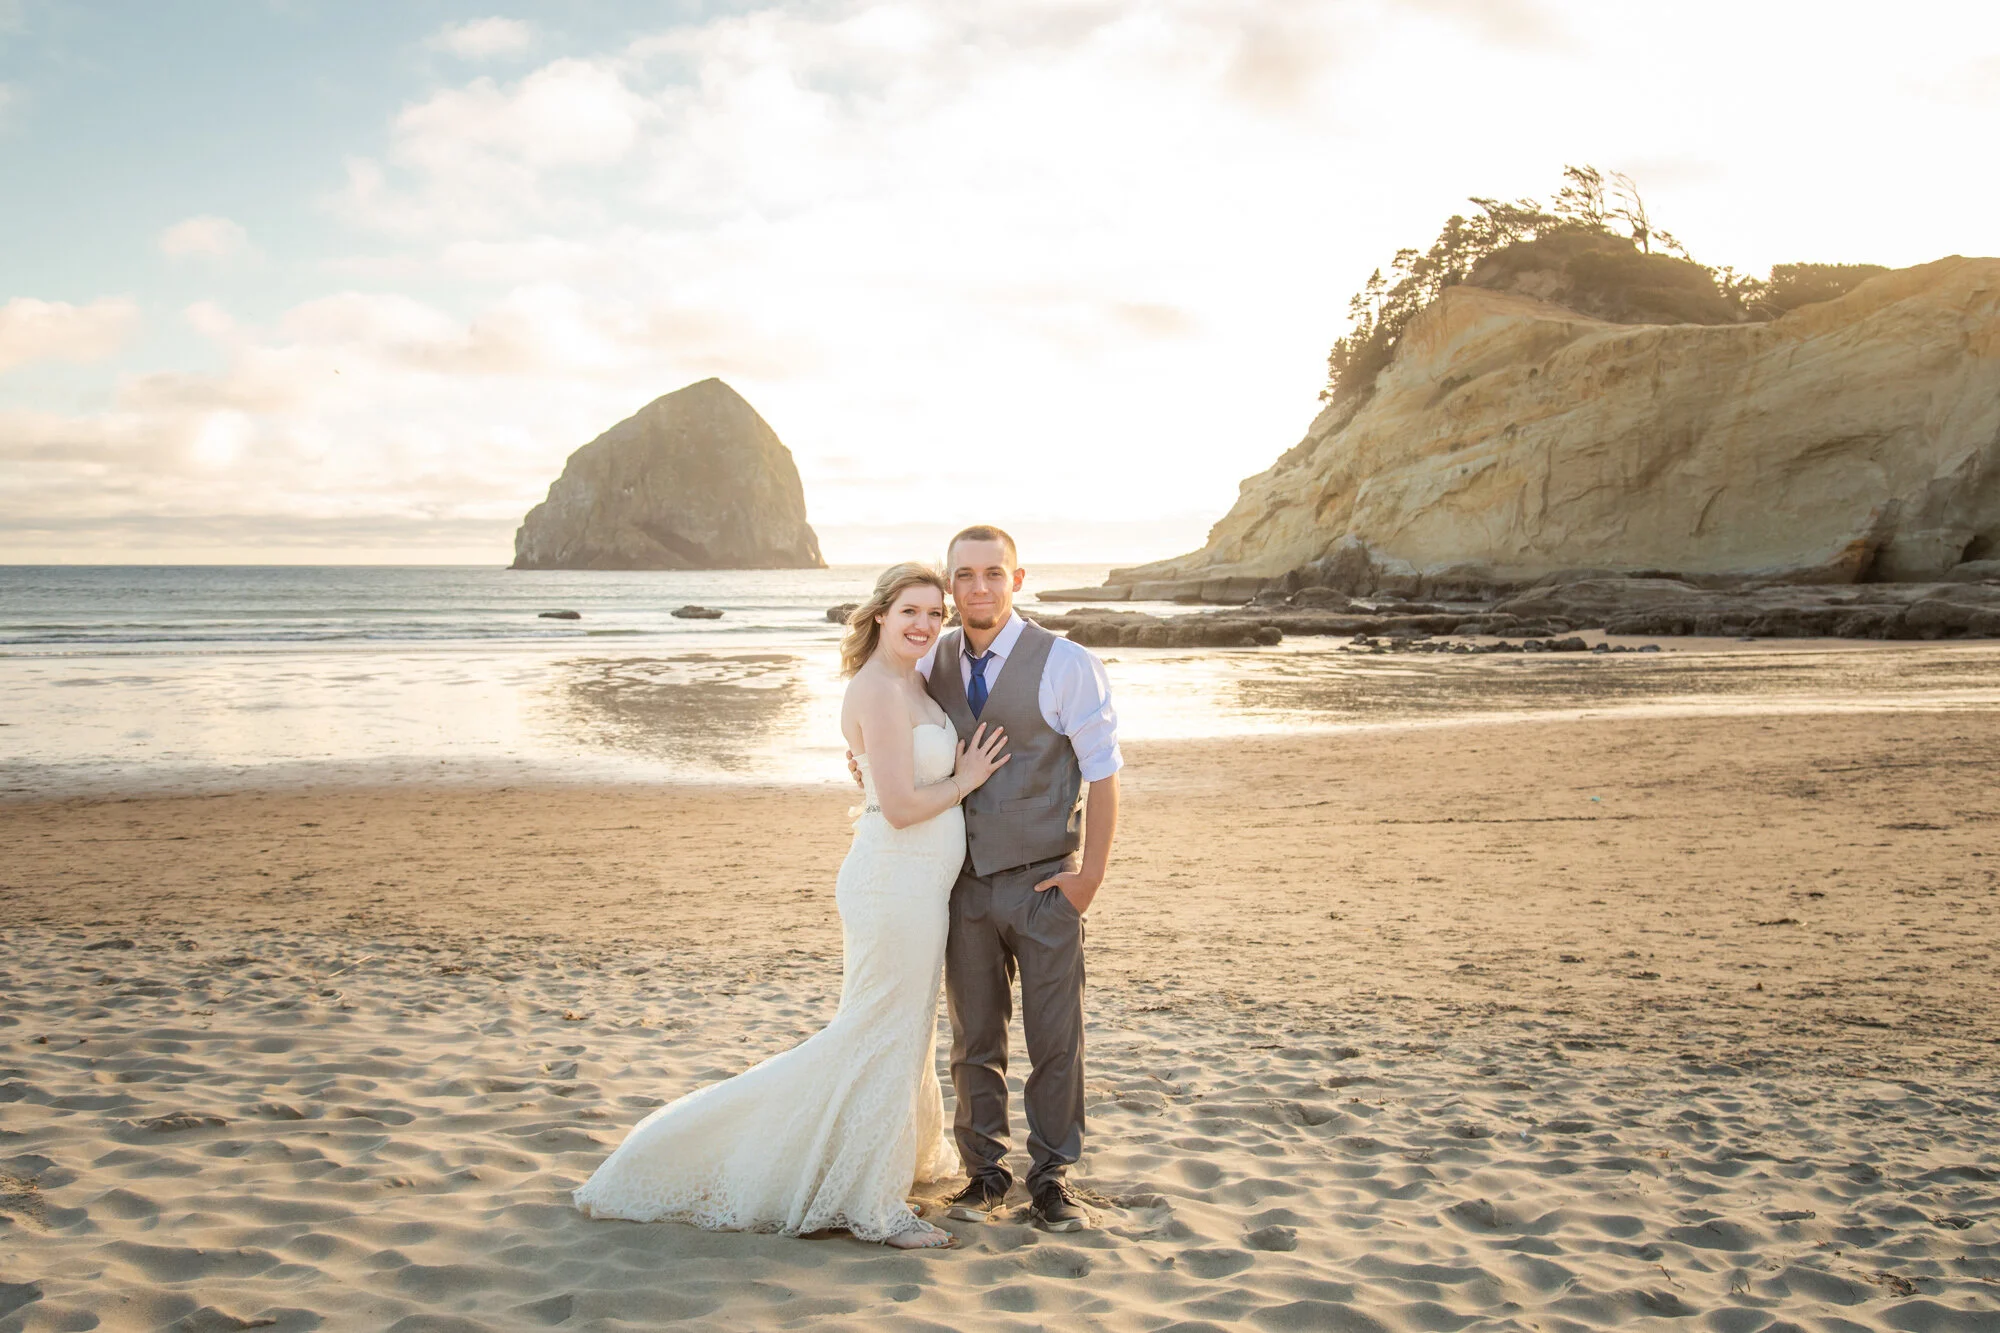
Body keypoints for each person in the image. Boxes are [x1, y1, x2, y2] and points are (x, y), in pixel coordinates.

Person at [572, 562, 1011, 1250]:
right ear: (880, 615)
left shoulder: (911, 681)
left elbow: (886, 775)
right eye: (910, 612)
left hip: (920, 885)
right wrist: (966, 778)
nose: (926, 624)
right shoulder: (879, 687)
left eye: (936, 613)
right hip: (894, 884)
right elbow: (898, 807)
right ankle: (870, 1200)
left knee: (900, 1030)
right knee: (875, 1031)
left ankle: (883, 1161)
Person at [874, 524, 1124, 1234]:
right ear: (950, 587)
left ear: (1017, 579)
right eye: (965, 576)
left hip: (1046, 883)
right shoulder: (932, 659)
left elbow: (1105, 774)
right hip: (964, 887)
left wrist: (1089, 878)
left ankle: (1052, 1176)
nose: (978, 587)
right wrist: (865, 766)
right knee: (973, 1038)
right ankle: (984, 1172)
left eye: (993, 573)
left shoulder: (1065, 661)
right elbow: (892, 726)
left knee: (1055, 1039)